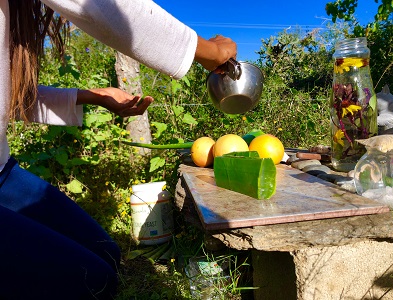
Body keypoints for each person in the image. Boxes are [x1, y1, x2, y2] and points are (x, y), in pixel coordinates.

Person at [0, 0, 237, 299]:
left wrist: (95, 96)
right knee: (91, 282)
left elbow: (10, 98)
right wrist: (207, 51)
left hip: (2, 173)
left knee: (107, 254)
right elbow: (103, 5)